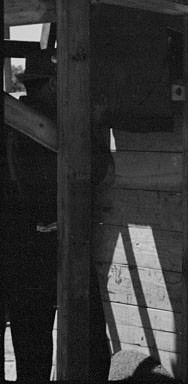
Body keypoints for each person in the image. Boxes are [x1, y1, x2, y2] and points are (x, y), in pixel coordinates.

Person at [1, 50, 113, 381]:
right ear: (53, 83)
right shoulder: (49, 125)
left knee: (32, 348)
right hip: (45, 247)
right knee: (89, 346)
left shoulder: (16, 120)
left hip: (25, 249)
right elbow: (97, 171)